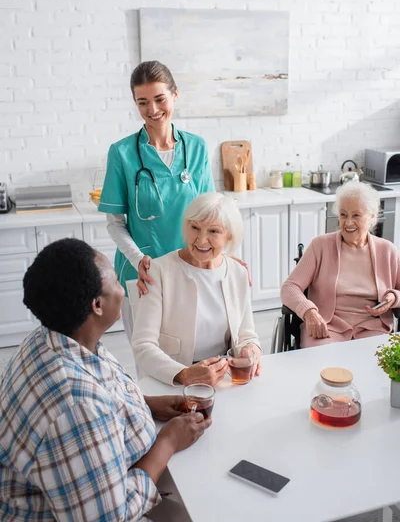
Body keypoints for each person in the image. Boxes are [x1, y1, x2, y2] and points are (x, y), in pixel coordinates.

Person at [0, 238, 211, 522]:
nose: (123, 290)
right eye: (115, 280)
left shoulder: (55, 338)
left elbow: (102, 392)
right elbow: (109, 517)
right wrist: (168, 442)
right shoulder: (75, 407)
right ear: (97, 305)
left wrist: (146, 403)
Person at [98, 61, 215, 342]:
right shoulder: (122, 153)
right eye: (143, 102)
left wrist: (227, 258)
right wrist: (139, 261)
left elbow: (211, 214)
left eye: (160, 98)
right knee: (149, 360)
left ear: (175, 94)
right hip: (143, 274)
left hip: (192, 267)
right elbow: (115, 223)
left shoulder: (196, 147)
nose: (152, 110)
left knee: (192, 353)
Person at [132, 192, 261, 386]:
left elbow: (247, 334)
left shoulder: (238, 272)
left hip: (224, 377)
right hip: (173, 380)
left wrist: (251, 348)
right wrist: (183, 374)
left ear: (230, 235)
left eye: (213, 231)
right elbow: (142, 345)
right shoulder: (158, 271)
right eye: (195, 228)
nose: (201, 240)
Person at [281, 181, 400, 348]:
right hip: (326, 327)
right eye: (344, 215)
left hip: (373, 329)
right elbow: (289, 287)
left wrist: (394, 297)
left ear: (372, 216)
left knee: (379, 369)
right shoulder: (320, 246)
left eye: (356, 215)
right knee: (320, 367)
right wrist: (309, 312)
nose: (348, 223)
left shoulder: (388, 251)